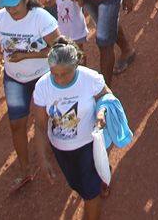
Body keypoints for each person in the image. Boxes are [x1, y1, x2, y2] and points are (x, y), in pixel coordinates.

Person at [0, 0, 59, 192]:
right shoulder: (0, 19)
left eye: (15, 4)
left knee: (44, 119)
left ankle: (58, 148)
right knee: (16, 124)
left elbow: (60, 49)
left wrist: (27, 55)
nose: (10, 10)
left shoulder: (41, 19)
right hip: (14, 79)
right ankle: (25, 169)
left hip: (42, 77)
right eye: (6, 5)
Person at [31, 39, 113, 217]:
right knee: (78, 185)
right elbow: (39, 125)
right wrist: (43, 159)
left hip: (88, 146)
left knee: (91, 194)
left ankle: (99, 181)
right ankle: (102, 176)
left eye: (65, 73)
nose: (59, 79)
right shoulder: (42, 86)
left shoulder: (90, 78)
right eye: (55, 74)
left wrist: (102, 111)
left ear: (76, 64)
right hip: (61, 150)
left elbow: (107, 98)